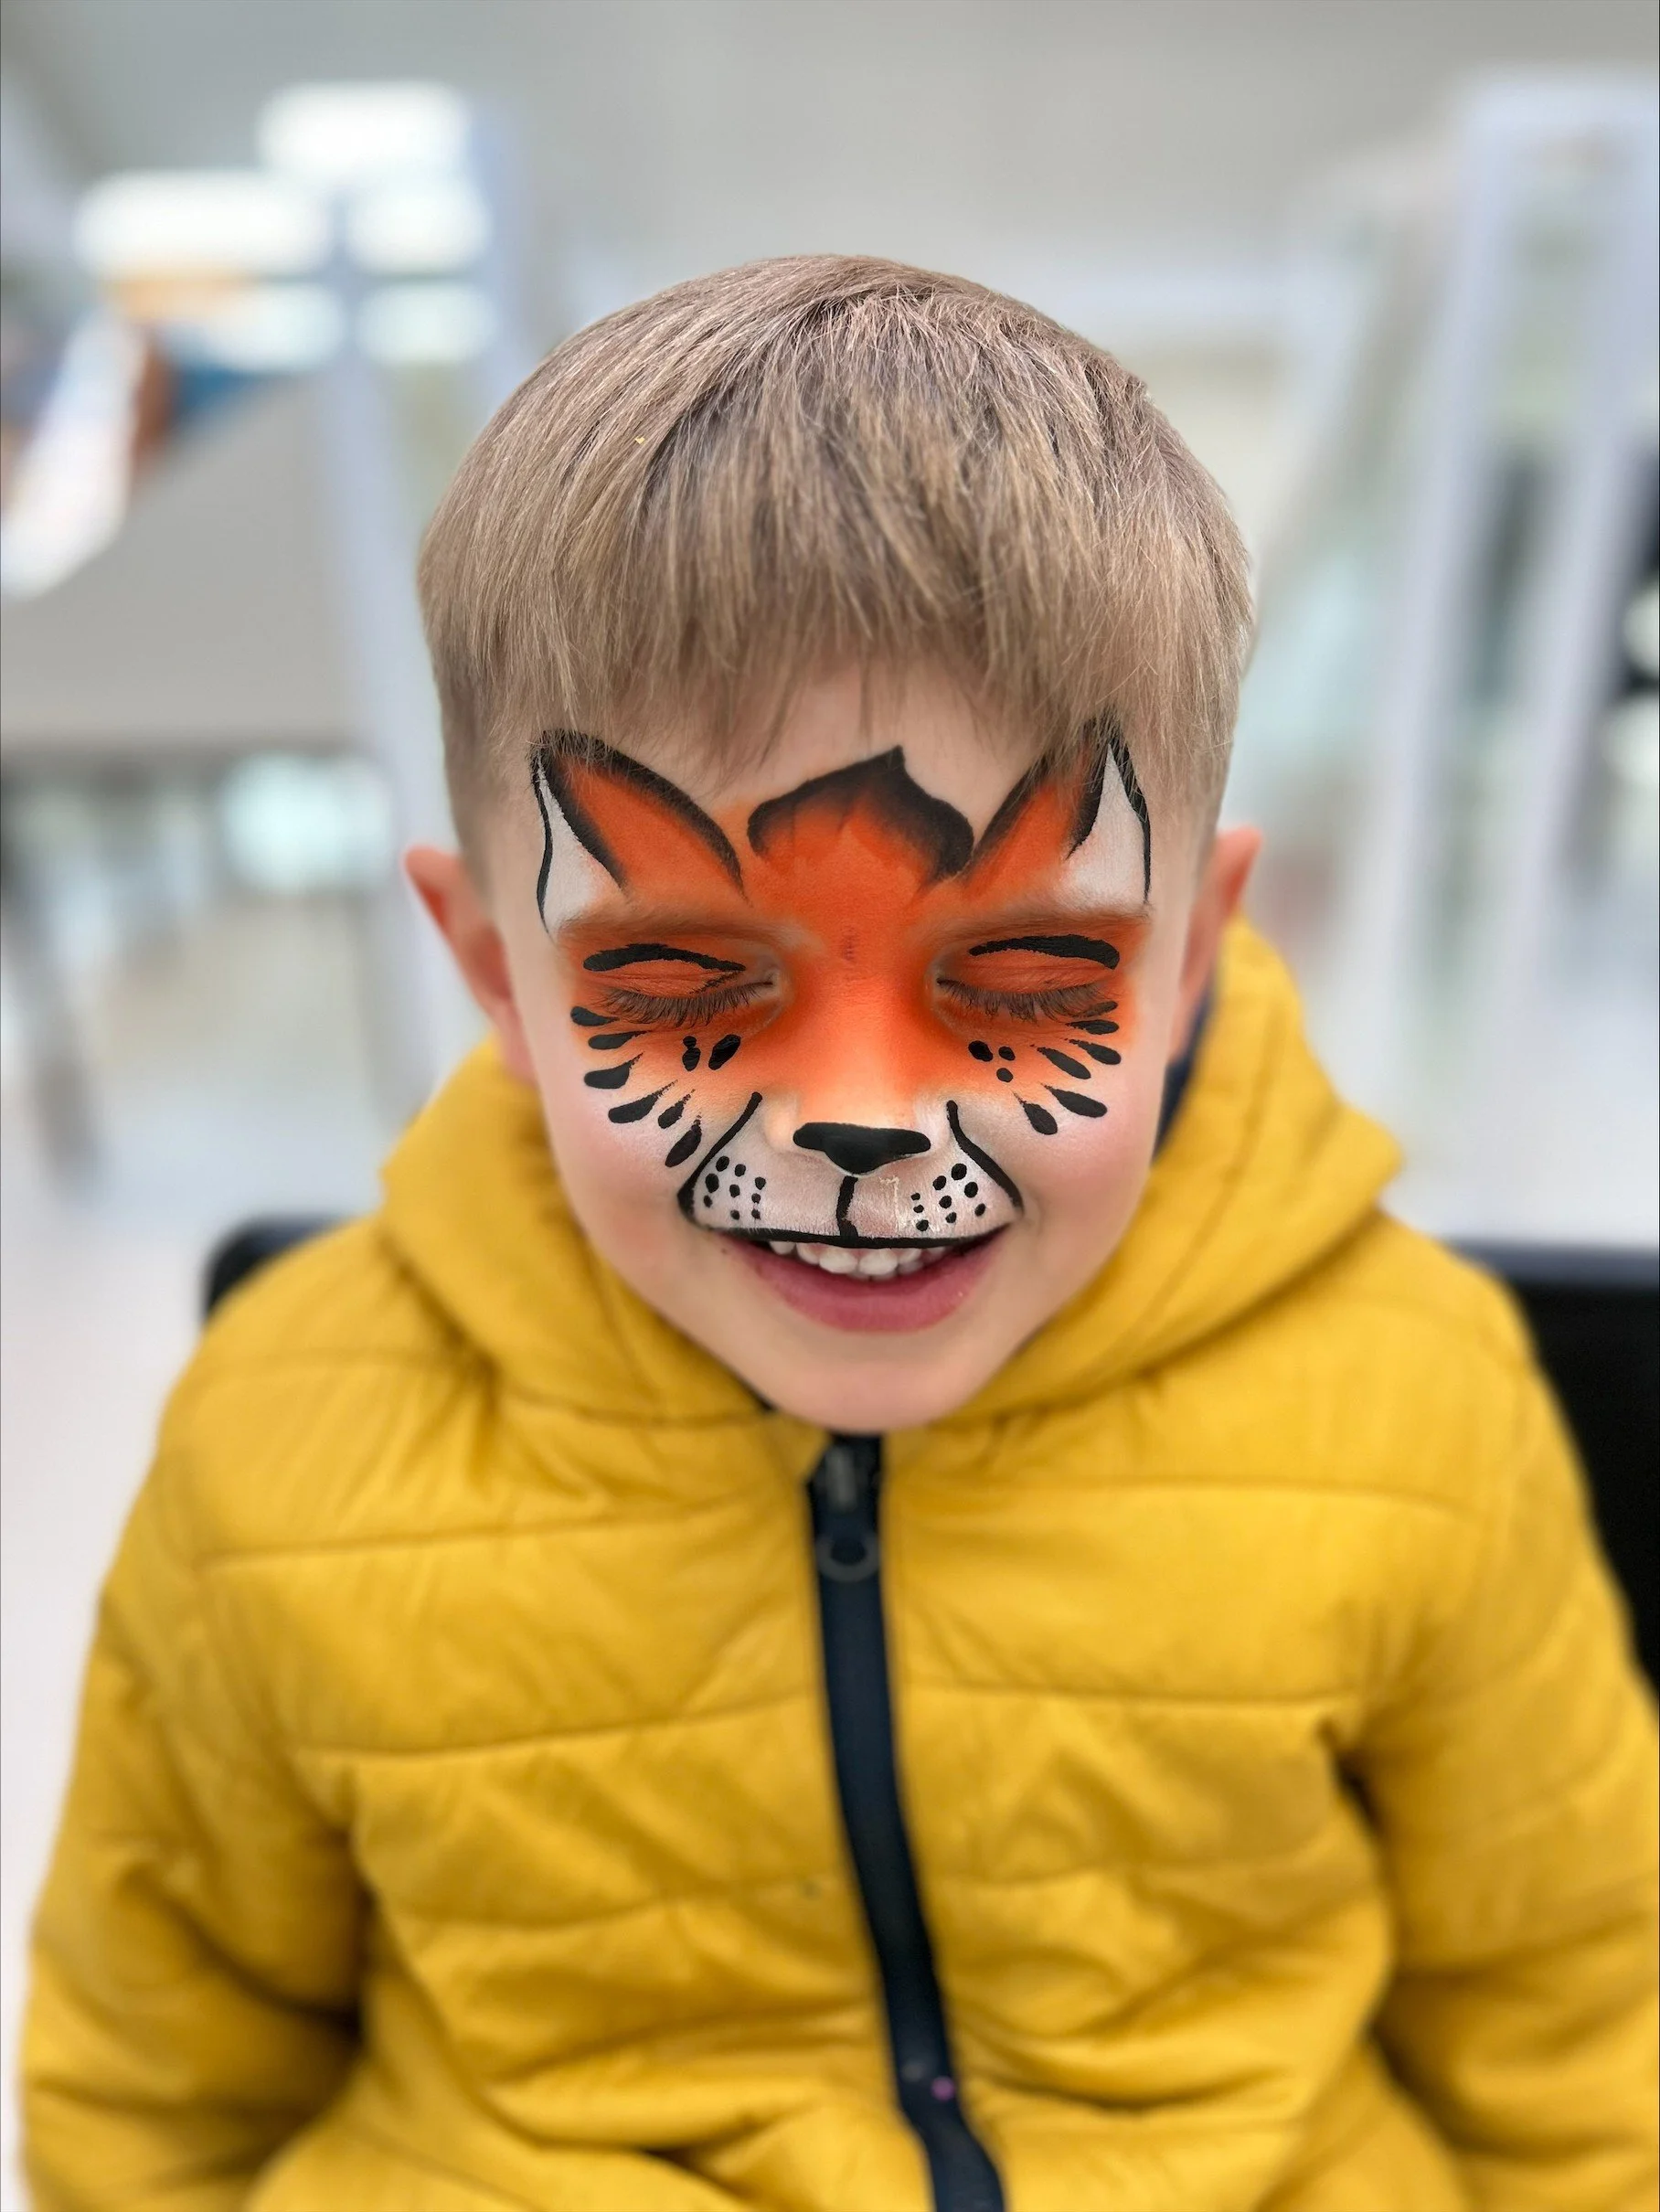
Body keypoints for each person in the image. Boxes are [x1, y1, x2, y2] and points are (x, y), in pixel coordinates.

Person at [21, 257, 1656, 2212]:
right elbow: (154, 2089)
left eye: (1028, 967)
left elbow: (1583, 2037)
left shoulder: (1412, 1397)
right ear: (490, 971)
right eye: (683, 976)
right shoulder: (278, 1444)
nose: (864, 1119)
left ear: (1200, 943)